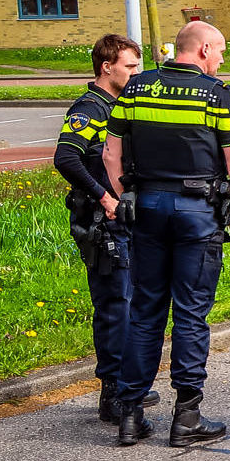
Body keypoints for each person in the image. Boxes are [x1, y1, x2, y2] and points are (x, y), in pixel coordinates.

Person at [102, 22, 230, 447]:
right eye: (221, 51)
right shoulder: (216, 95)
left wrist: (123, 197)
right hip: (197, 215)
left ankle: (131, 415)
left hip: (147, 211)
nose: (222, 60)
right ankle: (186, 416)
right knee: (190, 313)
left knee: (146, 312)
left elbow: (110, 151)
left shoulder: (136, 90)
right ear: (204, 49)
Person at [54, 34, 156, 426]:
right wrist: (104, 197)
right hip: (102, 224)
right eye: (130, 67)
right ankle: (112, 393)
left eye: (137, 66)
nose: (136, 73)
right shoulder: (90, 108)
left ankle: (129, 384)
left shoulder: (119, 105)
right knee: (115, 307)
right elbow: (66, 157)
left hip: (124, 222)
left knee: (130, 304)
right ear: (106, 66)